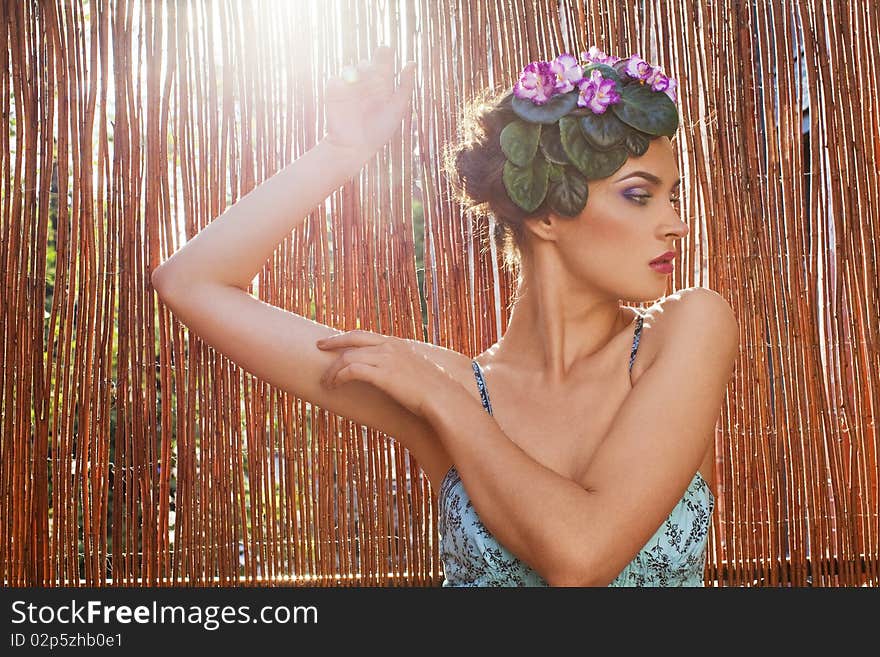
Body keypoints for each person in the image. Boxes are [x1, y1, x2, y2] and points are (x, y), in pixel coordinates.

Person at [151, 44, 739, 587]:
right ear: (545, 216)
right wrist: (342, 153)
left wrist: (443, 404)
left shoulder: (687, 330)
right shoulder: (436, 380)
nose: (676, 224)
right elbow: (190, 283)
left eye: (673, 196)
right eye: (640, 195)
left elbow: (580, 557)